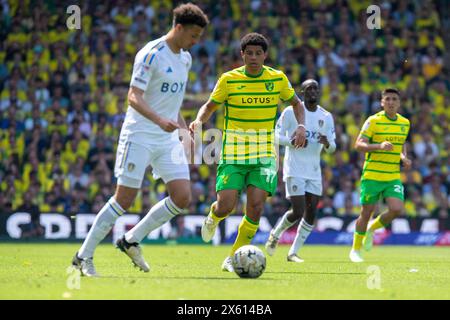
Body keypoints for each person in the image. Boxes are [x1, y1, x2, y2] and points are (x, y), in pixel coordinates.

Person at [72, 3, 209, 276]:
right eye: (193, 35)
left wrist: (183, 132)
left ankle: (131, 239)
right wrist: (159, 120)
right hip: (140, 134)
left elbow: (172, 103)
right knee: (124, 200)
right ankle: (82, 257)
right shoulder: (150, 54)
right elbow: (133, 96)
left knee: (182, 197)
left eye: (198, 37)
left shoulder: (185, 59)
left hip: (167, 136)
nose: (195, 42)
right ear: (178, 28)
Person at [189, 33, 306, 272]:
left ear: (265, 55)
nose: (253, 57)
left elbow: (296, 103)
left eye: (258, 53)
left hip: (264, 154)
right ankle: (213, 216)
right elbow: (210, 106)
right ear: (242, 54)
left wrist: (301, 126)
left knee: (255, 206)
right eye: (249, 53)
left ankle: (233, 258)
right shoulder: (229, 80)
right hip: (233, 153)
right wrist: (199, 121)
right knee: (226, 206)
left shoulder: (277, 78)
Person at [265, 79, 336, 262]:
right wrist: (292, 141)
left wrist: (327, 143)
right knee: (298, 210)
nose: (313, 91)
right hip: (294, 167)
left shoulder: (326, 117)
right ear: (302, 93)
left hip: (313, 170)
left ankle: (293, 252)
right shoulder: (291, 112)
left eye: (315, 89)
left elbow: (333, 147)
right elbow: (275, 135)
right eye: (308, 89)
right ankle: (275, 234)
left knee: (311, 213)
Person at [349, 88, 412, 263]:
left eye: (394, 99)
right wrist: (379, 146)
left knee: (397, 209)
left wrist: (403, 157)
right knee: (366, 212)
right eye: (388, 99)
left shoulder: (405, 123)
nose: (391, 102)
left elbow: (401, 143)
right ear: (382, 102)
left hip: (392, 175)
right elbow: (359, 145)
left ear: (399, 103)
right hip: (372, 175)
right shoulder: (373, 121)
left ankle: (372, 229)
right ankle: (355, 249)